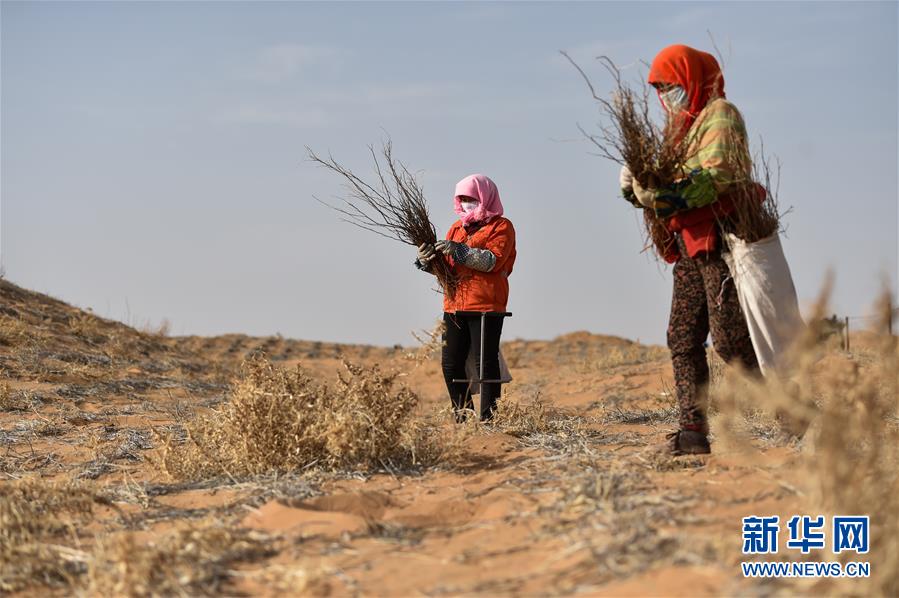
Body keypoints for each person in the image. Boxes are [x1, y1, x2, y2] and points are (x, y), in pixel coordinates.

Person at [619, 44, 759, 455]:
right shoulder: (676, 130)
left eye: (672, 85)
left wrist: (656, 195)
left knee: (731, 342)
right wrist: (634, 188)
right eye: (660, 88)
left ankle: (792, 412)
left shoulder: (721, 115)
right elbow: (659, 189)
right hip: (688, 247)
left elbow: (714, 179)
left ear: (692, 79)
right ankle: (692, 432)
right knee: (681, 337)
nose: (666, 95)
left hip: (720, 242)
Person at [414, 174, 516, 422]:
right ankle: (464, 417)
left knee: (486, 364)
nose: (467, 203)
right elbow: (448, 270)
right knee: (450, 365)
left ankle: (489, 419)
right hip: (454, 305)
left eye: (472, 198)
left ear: (485, 197)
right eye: (463, 198)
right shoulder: (456, 229)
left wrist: (458, 250)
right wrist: (426, 261)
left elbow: (492, 261)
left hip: (487, 304)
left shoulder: (501, 227)